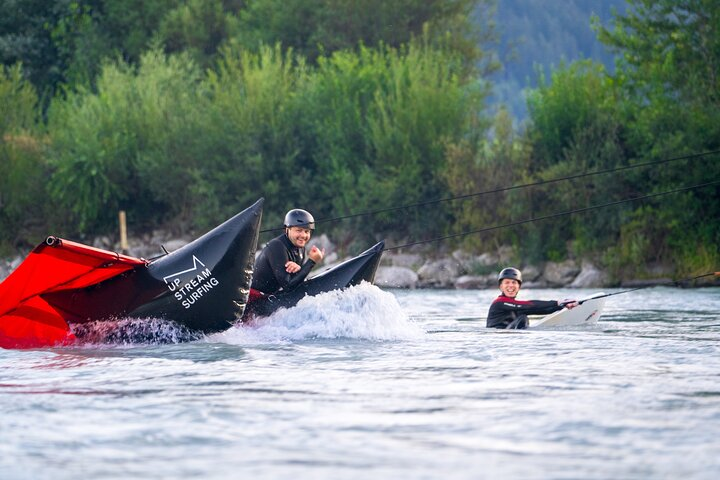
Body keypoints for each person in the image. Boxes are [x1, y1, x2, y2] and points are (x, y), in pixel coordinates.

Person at [251, 208, 325, 295]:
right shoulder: (276, 246)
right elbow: (288, 286)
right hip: (254, 299)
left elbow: (295, 281)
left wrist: (298, 270)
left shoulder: (301, 249)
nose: (303, 235)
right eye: (299, 230)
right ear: (287, 229)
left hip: (271, 296)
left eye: (307, 231)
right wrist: (312, 261)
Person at [486, 267, 578, 329]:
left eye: (514, 283)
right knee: (523, 319)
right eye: (507, 282)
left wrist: (563, 306)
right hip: (497, 340)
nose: (511, 286)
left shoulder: (517, 308)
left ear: (519, 286)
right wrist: (557, 302)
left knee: (523, 316)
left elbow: (543, 310)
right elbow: (529, 305)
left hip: (510, 337)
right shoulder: (499, 303)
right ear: (501, 287)